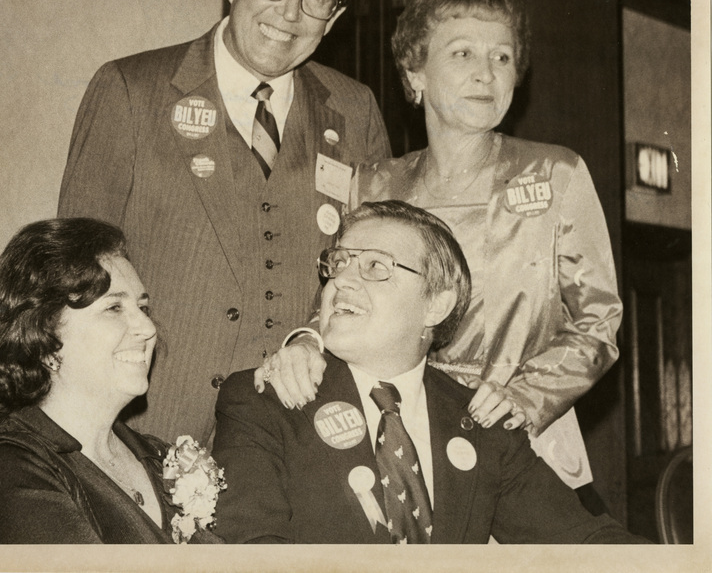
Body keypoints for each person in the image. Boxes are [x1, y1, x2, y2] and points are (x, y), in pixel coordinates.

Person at [256, 0, 622, 505]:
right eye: (463, 54)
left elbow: (598, 323)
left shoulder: (555, 172)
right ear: (415, 73)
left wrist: (525, 396)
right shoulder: (373, 183)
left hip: (526, 447)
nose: (486, 74)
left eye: (502, 58)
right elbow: (340, 304)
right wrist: (306, 343)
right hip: (408, 451)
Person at [58, 0, 391, 444]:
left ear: (332, 19)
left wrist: (311, 338)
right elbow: (74, 276)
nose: (291, 12)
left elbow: (375, 272)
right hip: (150, 428)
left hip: (302, 434)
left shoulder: (355, 112)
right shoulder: (130, 90)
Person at [213, 201, 645, 544]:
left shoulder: (481, 422)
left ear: (436, 304)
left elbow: (582, 540)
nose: (341, 281)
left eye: (376, 267)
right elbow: (253, 551)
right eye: (339, 263)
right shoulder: (263, 401)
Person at [0, 218, 221, 544]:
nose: (148, 328)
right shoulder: (7, 469)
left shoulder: (160, 456)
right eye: (114, 308)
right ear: (45, 339)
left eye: (142, 307)